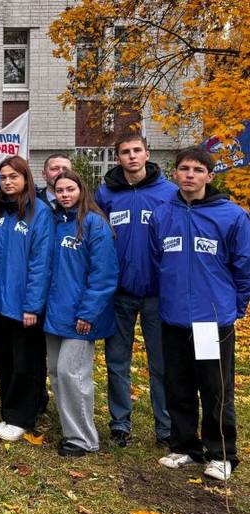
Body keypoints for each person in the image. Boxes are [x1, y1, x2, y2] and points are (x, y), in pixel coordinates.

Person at [151, 147, 250, 481]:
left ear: (210, 175)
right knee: (177, 384)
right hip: (173, 317)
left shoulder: (231, 216)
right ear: (175, 174)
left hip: (211, 319)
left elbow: (244, 266)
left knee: (214, 387)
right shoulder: (162, 214)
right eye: (183, 168)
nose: (189, 174)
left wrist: (234, 307)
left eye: (197, 169)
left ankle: (221, 453)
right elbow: (156, 261)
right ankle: (183, 446)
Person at [95, 132, 177, 448]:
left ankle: (166, 427)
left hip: (158, 293)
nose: (131, 156)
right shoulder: (106, 194)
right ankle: (120, 424)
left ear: (147, 153)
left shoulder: (168, 193)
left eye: (137, 150)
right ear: (118, 158)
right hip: (120, 293)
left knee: (160, 363)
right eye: (125, 152)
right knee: (117, 362)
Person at [44, 170, 118, 457]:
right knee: (57, 373)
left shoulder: (94, 224)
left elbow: (104, 274)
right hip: (55, 313)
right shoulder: (55, 223)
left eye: (70, 189)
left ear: (81, 190)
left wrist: (88, 313)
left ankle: (84, 438)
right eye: (59, 190)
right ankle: (69, 430)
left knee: (71, 372)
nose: (64, 195)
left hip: (81, 316)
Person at [0, 156, 54, 442]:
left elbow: (41, 262)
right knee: (2, 358)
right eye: (3, 177)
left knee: (26, 361)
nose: (8, 181)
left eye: (14, 176)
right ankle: (10, 411)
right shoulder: (1, 213)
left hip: (25, 305)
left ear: (26, 179)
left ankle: (22, 418)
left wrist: (32, 305)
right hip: (1, 302)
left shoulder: (40, 213)